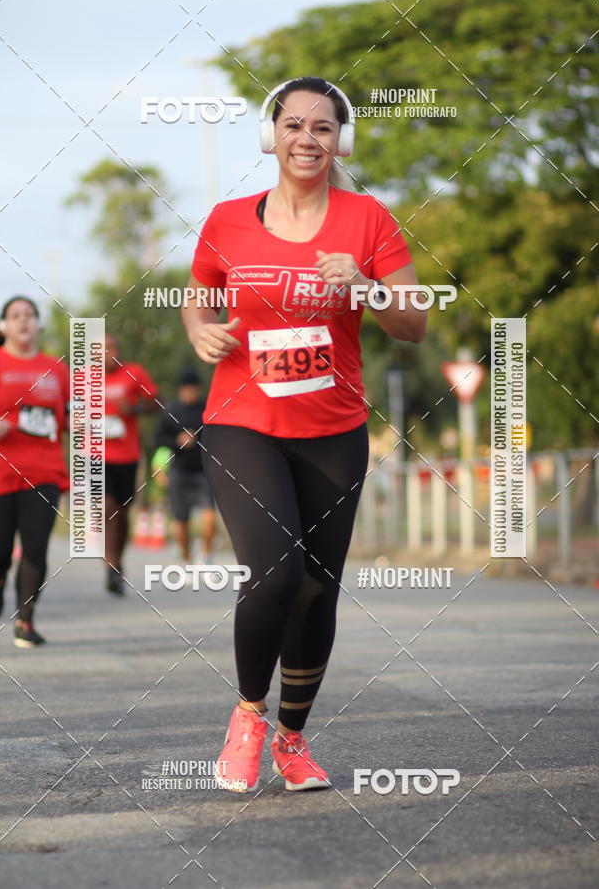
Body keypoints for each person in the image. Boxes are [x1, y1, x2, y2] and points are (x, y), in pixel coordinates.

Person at [181, 76, 427, 792]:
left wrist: (367, 287)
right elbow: (199, 298)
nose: (307, 140)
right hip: (242, 421)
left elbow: (413, 323)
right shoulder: (227, 220)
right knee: (276, 574)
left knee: (319, 589)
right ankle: (249, 716)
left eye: (323, 129)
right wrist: (202, 332)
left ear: (339, 141)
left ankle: (292, 738)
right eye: (293, 126)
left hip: (334, 428)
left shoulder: (368, 221)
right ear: (272, 136)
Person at [0, 296, 69, 647]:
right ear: (4, 326)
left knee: (35, 547)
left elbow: (72, 415)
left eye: (29, 315)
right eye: (15, 316)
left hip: (43, 472)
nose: (23, 321)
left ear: (38, 323)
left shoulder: (56, 368)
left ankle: (25, 622)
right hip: (0, 472)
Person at [104, 333, 159, 596]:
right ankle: (111, 565)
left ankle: (117, 561)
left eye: (112, 347)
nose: (107, 353)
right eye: (102, 349)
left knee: (123, 512)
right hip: (97, 455)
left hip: (127, 454)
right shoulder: (84, 378)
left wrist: (134, 409)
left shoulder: (134, 372)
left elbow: (156, 402)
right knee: (108, 506)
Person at [153, 367, 216, 566]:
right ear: (180, 390)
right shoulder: (170, 412)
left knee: (209, 516)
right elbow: (157, 440)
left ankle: (205, 555)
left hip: (204, 472)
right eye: (186, 389)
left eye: (193, 388)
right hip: (179, 472)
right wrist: (177, 441)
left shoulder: (207, 410)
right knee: (181, 519)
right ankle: (186, 559)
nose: (190, 392)